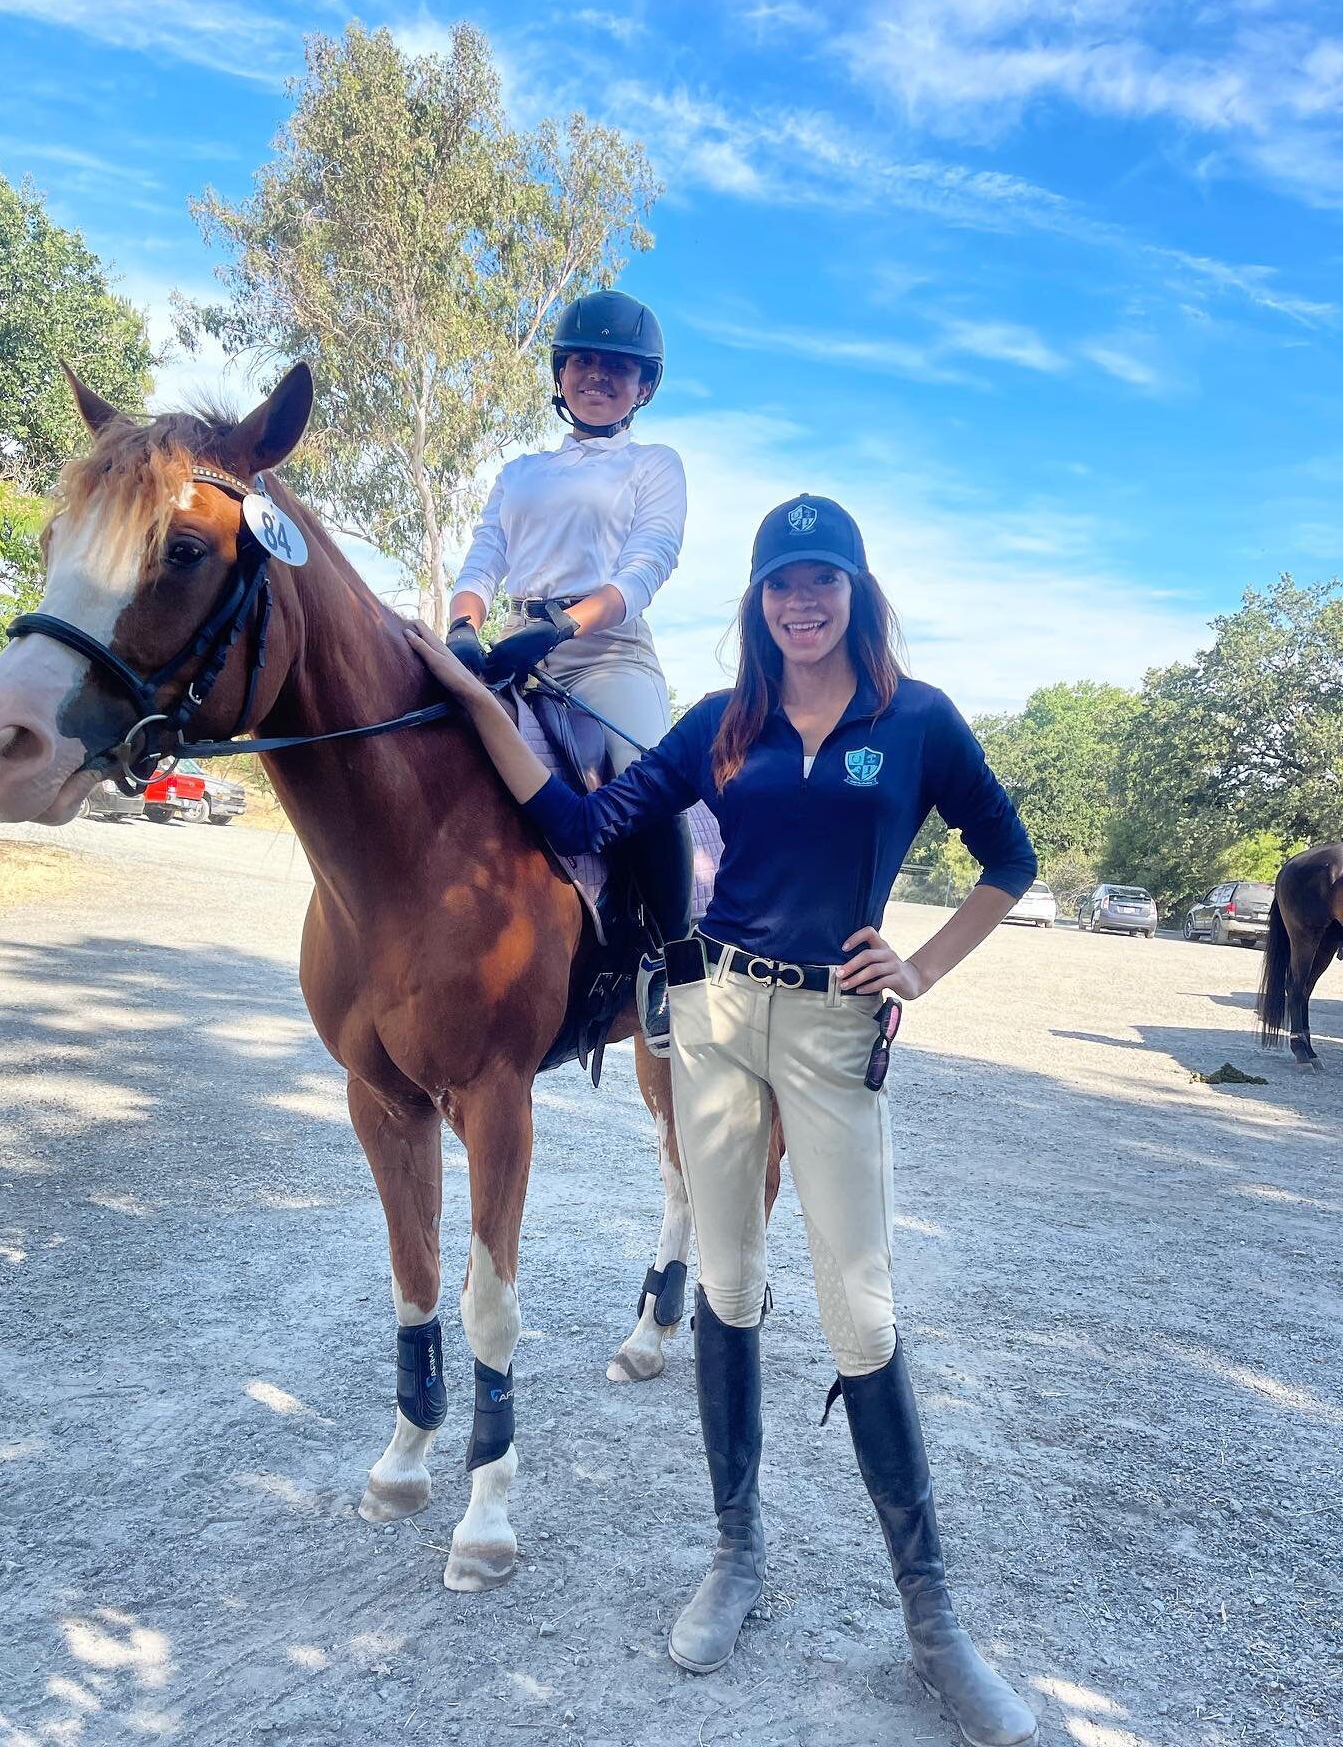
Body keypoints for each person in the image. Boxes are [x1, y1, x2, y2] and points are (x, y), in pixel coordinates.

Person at [409, 493, 1041, 1747]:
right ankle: (735, 1559)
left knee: (861, 1307)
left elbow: (1007, 858)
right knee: (730, 1283)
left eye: (823, 581)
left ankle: (934, 1623)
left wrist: (919, 966)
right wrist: (481, 701)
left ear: (858, 593)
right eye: (780, 585)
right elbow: (587, 824)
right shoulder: (722, 725)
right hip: (713, 1022)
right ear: (758, 602)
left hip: (830, 1029)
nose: (801, 604)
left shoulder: (915, 722)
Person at [445, 289, 692, 1052]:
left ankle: (669, 961)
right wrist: (461, 628)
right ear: (560, 376)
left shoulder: (654, 464)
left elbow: (650, 563)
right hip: (514, 643)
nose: (597, 376)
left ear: (642, 387)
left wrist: (563, 626)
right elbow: (486, 553)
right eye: (583, 362)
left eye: (617, 367)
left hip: (606, 649)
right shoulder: (520, 472)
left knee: (645, 774)